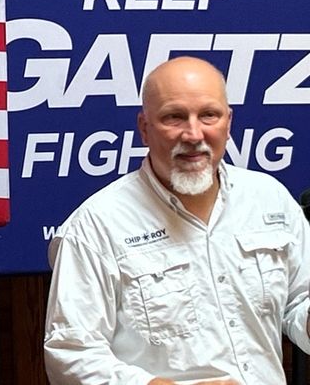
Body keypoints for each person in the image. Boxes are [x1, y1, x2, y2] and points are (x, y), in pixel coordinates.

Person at [43, 56, 310, 384]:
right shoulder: (95, 226)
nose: (194, 133)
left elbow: (299, 302)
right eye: (174, 117)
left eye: (209, 115)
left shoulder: (269, 197)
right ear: (144, 128)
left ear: (228, 122)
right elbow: (70, 353)